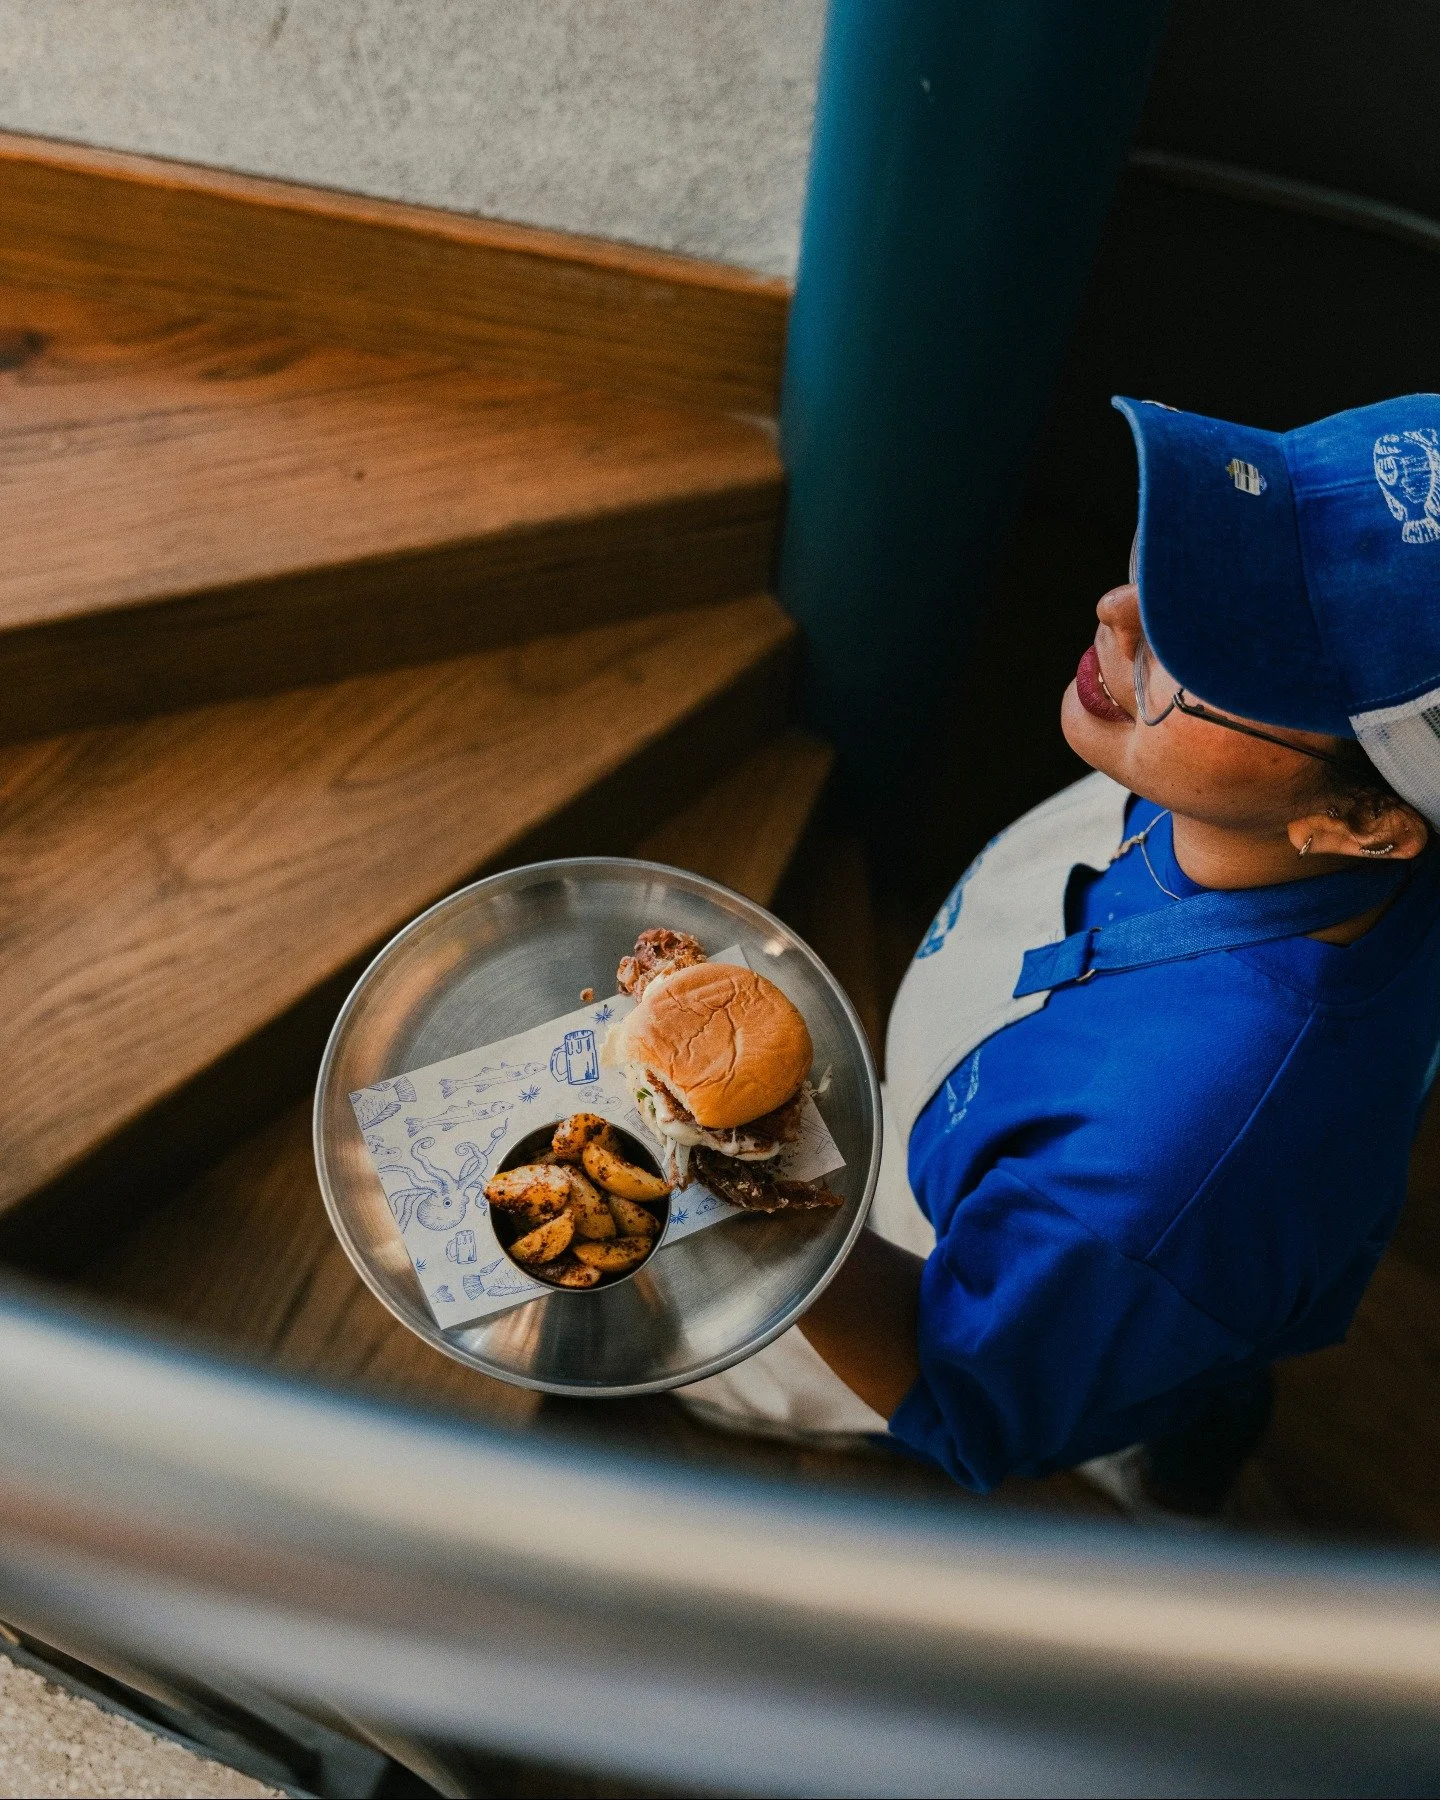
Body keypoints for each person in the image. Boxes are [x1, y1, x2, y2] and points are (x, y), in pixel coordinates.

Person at [680, 393, 1440, 1517]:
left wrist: (735, 1190)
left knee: (725, 1377)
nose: (1122, 615)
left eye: (1220, 653)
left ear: (1365, 826)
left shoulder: (1167, 1174)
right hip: (1018, 1212)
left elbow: (952, 1382)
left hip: (993, 1287)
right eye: (1199, 555)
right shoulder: (1242, 813)